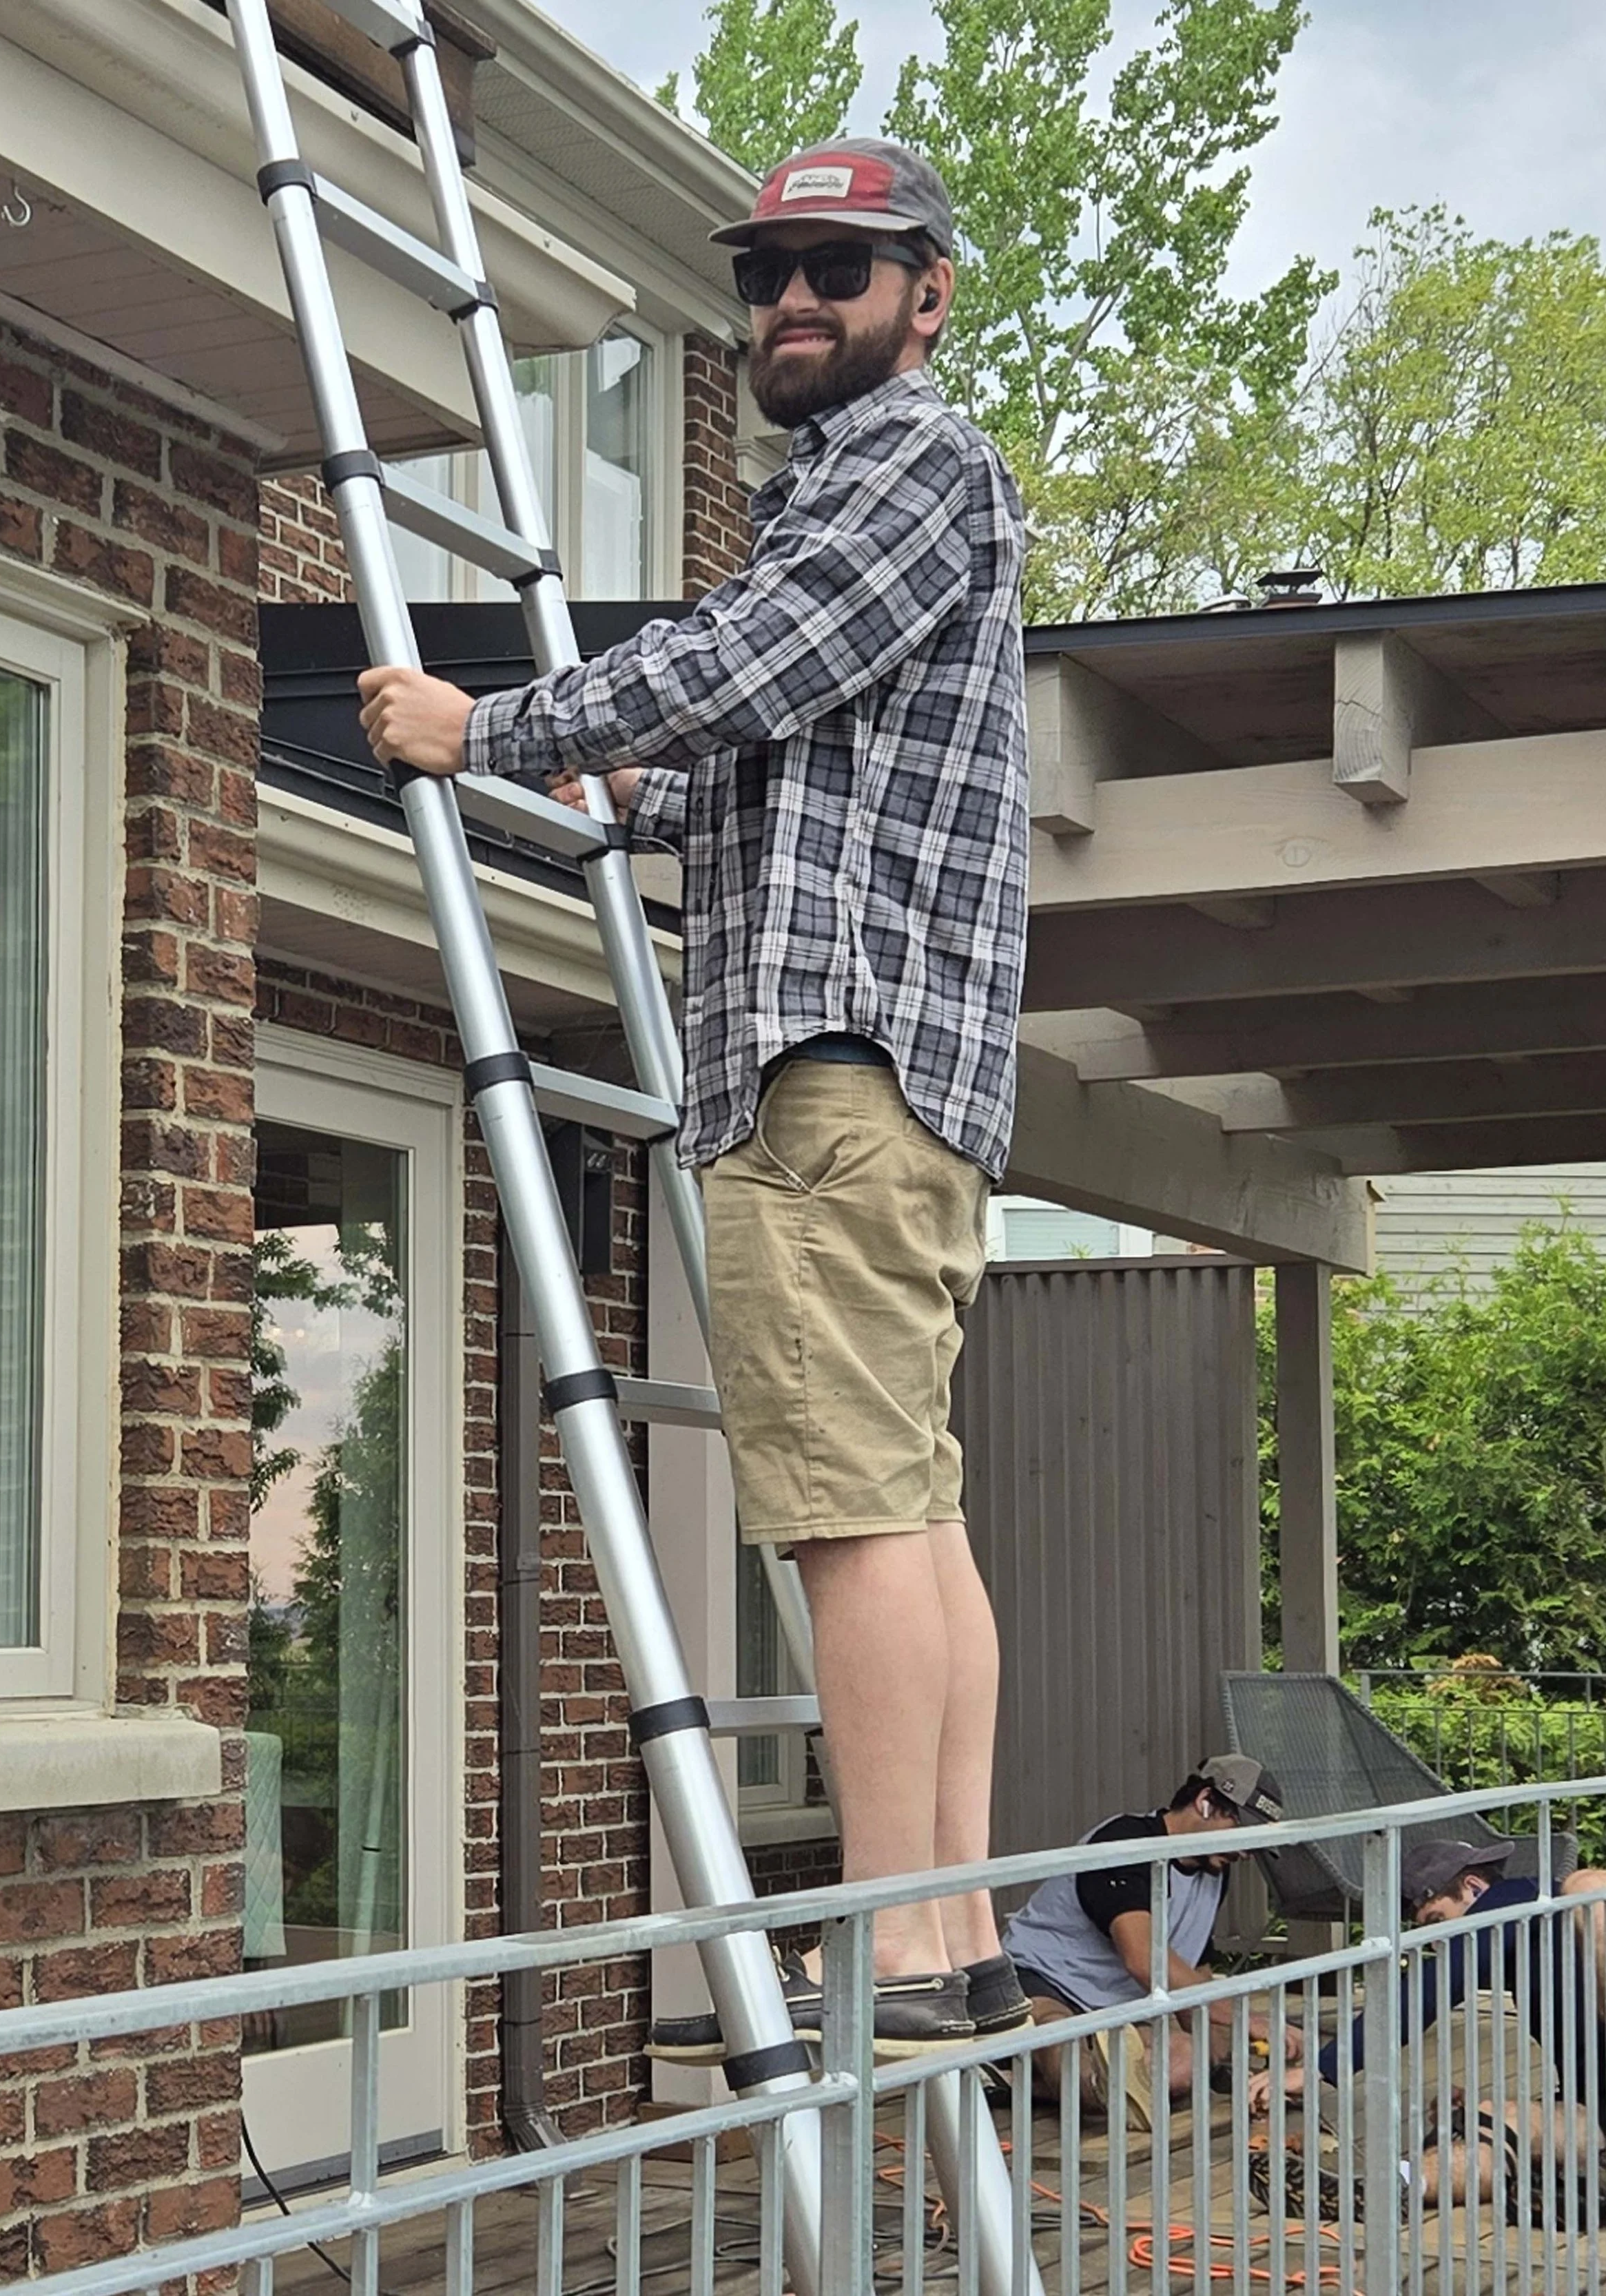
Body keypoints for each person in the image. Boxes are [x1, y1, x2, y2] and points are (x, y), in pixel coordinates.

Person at [355, 138, 1030, 2054]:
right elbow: (792, 739)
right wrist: (638, 792)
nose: (791, 304)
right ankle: (956, 1921)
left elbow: (752, 659)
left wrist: (490, 724)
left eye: (837, 268)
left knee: (847, 1517)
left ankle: (898, 1942)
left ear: (926, 294)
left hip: (835, 1062)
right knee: (911, 1511)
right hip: (877, 1066)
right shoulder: (864, 496)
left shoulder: (909, 460)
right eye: (768, 276)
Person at [1249, 1838, 1606, 2215]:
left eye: (1437, 1922)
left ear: (1474, 1887)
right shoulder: (1532, 1952)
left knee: (1590, 1886)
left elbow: (1427, 1991)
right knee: (1499, 2122)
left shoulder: (1517, 1900)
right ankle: (1392, 2187)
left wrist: (1321, 2067)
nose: (1438, 1944)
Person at [1000, 1755, 1298, 2115]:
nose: (1247, 1852)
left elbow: (1196, 1966)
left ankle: (1032, 2085)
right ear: (1206, 1802)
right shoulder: (1126, 1841)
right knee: (1058, 2038)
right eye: (1243, 1829)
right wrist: (1242, 2017)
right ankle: (1064, 2082)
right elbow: (1143, 1959)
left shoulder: (1216, 1870)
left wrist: (1225, 2061)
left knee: (1189, 2059)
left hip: (1112, 2020)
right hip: (1042, 1983)